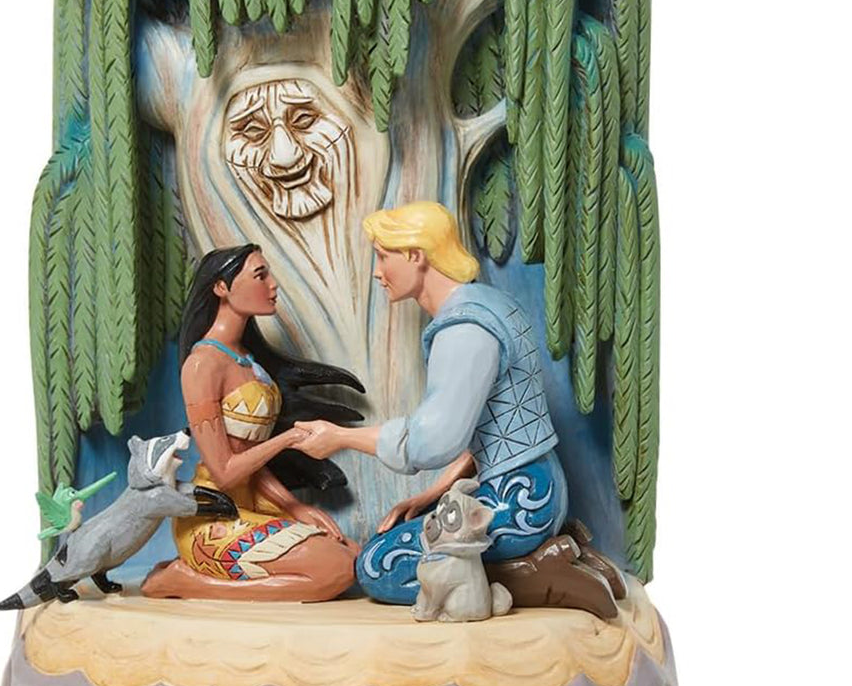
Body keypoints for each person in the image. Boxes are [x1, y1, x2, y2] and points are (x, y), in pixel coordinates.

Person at [292, 202, 567, 605]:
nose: (377, 272)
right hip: (533, 486)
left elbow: (432, 442)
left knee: (378, 567)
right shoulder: (488, 303)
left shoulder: (465, 329)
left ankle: (535, 575)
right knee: (406, 539)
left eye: (383, 256)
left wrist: (341, 437)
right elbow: (488, 433)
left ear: (415, 256)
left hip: (517, 502)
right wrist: (430, 496)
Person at [141, 244, 359, 601]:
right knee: (335, 570)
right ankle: (183, 581)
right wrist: (287, 439)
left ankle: (193, 579)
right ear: (221, 288)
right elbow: (226, 472)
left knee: (352, 555)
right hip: (214, 516)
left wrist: (294, 506)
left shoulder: (246, 358)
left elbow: (252, 465)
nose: (273, 284)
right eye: (260, 275)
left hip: (254, 502)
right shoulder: (202, 365)